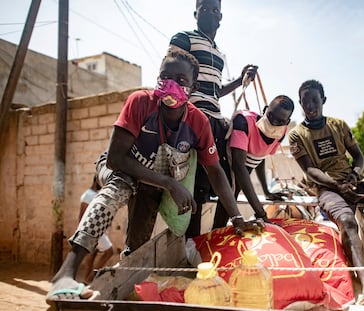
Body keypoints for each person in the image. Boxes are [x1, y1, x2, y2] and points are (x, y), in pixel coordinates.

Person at [46, 49, 264, 302]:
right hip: (121, 169)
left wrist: (237, 217)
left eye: (181, 80)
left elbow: (215, 171)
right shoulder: (140, 102)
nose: (171, 84)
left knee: (137, 245)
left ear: (193, 87)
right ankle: (66, 271)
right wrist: (169, 183)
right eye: (165, 76)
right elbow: (117, 159)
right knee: (118, 187)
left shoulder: (198, 122)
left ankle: (122, 290)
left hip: (151, 183)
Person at [288, 79, 364, 305]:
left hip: (353, 180)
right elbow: (310, 169)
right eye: (305, 102)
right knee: (347, 221)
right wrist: (338, 187)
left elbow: (358, 156)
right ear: (300, 103)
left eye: (314, 100)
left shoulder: (338, 125)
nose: (310, 106)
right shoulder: (297, 135)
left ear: (323, 100)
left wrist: (355, 176)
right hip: (328, 188)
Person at [169, 0, 258, 238]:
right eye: (205, 9)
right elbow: (171, 73)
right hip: (192, 118)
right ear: (195, 13)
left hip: (215, 121)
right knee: (195, 185)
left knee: (224, 183)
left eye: (215, 10)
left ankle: (218, 239)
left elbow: (215, 91)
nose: (210, 13)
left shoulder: (219, 54)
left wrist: (241, 81)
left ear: (221, 17)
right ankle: (192, 244)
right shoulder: (184, 38)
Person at [212, 95, 294, 228]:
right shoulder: (243, 122)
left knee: (233, 194)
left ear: (287, 122)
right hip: (226, 166)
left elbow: (260, 157)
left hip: (241, 175)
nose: (273, 122)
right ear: (265, 109)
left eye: (280, 121)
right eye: (271, 115)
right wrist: (261, 213)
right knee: (228, 199)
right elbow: (238, 166)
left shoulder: (281, 133)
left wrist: (266, 191)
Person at [79, 176, 114, 284]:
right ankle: (90, 278)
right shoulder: (88, 195)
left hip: (98, 229)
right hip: (93, 229)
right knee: (109, 251)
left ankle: (86, 280)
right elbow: (82, 215)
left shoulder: (95, 194)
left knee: (92, 253)